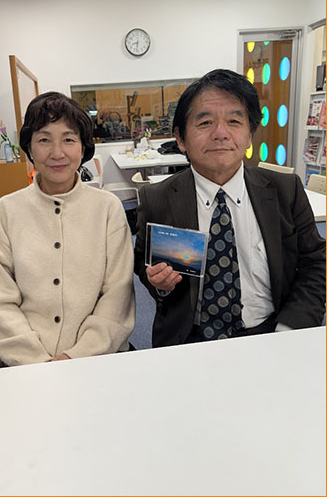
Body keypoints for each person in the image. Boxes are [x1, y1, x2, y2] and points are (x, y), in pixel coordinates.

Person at [135, 69, 325, 347]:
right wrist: (159, 285)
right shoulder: (157, 198)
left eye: (234, 121)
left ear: (249, 136)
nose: (221, 134)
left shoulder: (285, 190)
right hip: (189, 339)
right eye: (205, 122)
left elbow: (315, 264)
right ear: (181, 138)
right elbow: (143, 266)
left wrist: (288, 331)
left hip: (272, 332)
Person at [0, 92, 135, 368]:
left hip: (98, 354)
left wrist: (77, 356)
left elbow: (117, 295)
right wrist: (37, 362)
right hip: (21, 359)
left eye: (69, 139)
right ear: (29, 147)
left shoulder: (107, 208)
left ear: (83, 147)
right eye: (44, 140)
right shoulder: (6, 211)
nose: (57, 153)